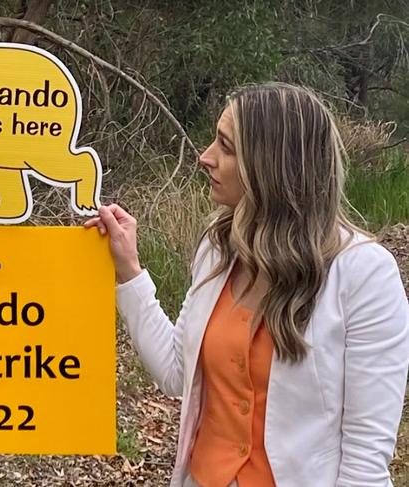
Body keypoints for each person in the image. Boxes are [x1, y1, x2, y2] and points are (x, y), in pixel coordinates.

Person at [85, 82, 409, 487]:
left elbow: (365, 458)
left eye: (226, 146)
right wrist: (129, 270)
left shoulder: (363, 275)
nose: (205, 157)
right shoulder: (218, 250)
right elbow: (174, 373)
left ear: (271, 165)